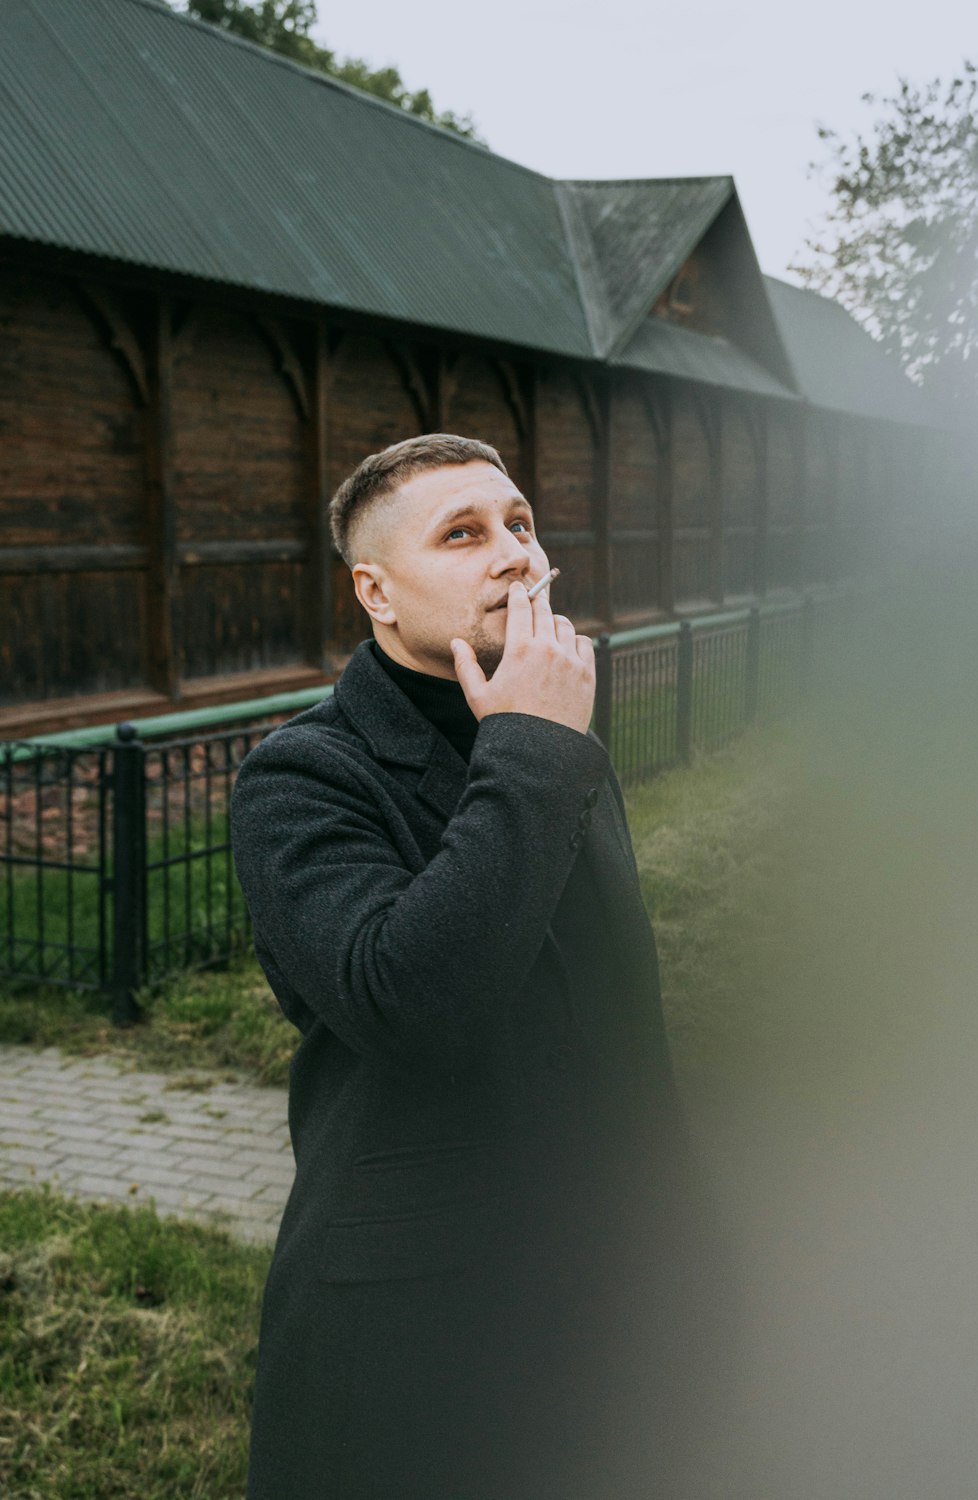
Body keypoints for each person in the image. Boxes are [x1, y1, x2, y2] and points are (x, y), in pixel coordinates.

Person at [230, 434, 721, 1500]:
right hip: (419, 1322)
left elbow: (618, 1014)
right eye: (463, 534)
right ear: (377, 591)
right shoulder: (302, 775)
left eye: (521, 525)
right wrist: (534, 755)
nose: (513, 554)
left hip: (609, 1287)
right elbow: (415, 1005)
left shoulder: (557, 738)